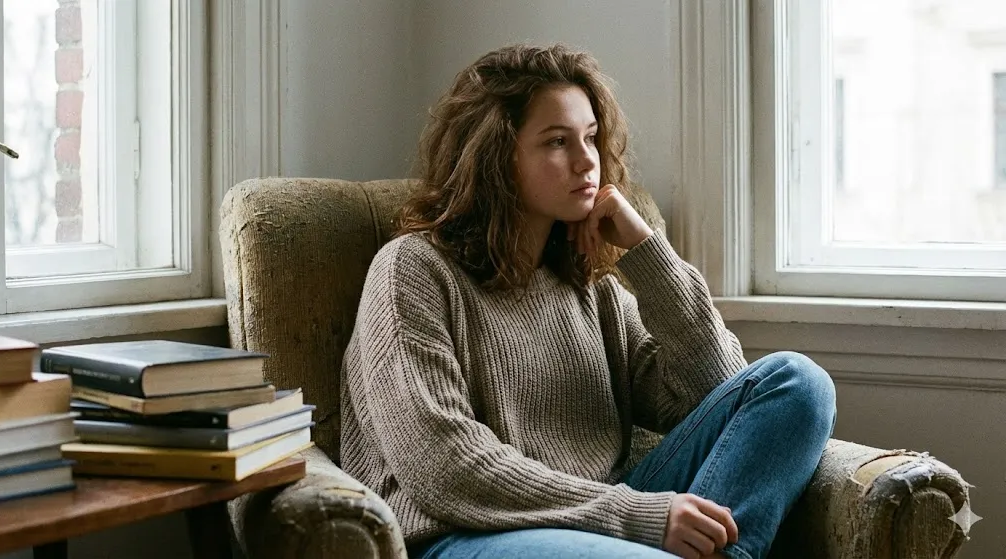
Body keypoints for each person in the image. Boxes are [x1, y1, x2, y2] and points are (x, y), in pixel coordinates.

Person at [340, 43, 837, 559]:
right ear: (497, 158)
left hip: (604, 519)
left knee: (798, 383)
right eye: (557, 141)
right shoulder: (413, 270)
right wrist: (633, 515)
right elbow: (442, 465)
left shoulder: (588, 284)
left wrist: (646, 250)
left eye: (591, 138)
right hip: (469, 533)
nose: (587, 161)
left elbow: (715, 390)